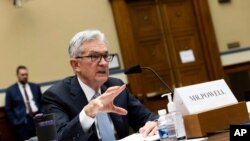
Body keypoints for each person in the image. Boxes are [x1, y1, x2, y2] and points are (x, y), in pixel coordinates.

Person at [42, 29, 159, 141]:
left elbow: (148, 117)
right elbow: (61, 138)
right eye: (94, 56)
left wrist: (154, 123)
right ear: (75, 64)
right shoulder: (56, 96)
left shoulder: (115, 86)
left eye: (105, 56)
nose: (103, 63)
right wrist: (87, 114)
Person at [5, 65, 43, 141]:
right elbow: (8, 109)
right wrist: (16, 122)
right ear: (17, 75)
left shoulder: (35, 87)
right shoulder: (10, 90)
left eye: (26, 74)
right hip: (23, 122)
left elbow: (41, 102)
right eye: (22, 75)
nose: (25, 76)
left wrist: (42, 114)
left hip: (38, 119)